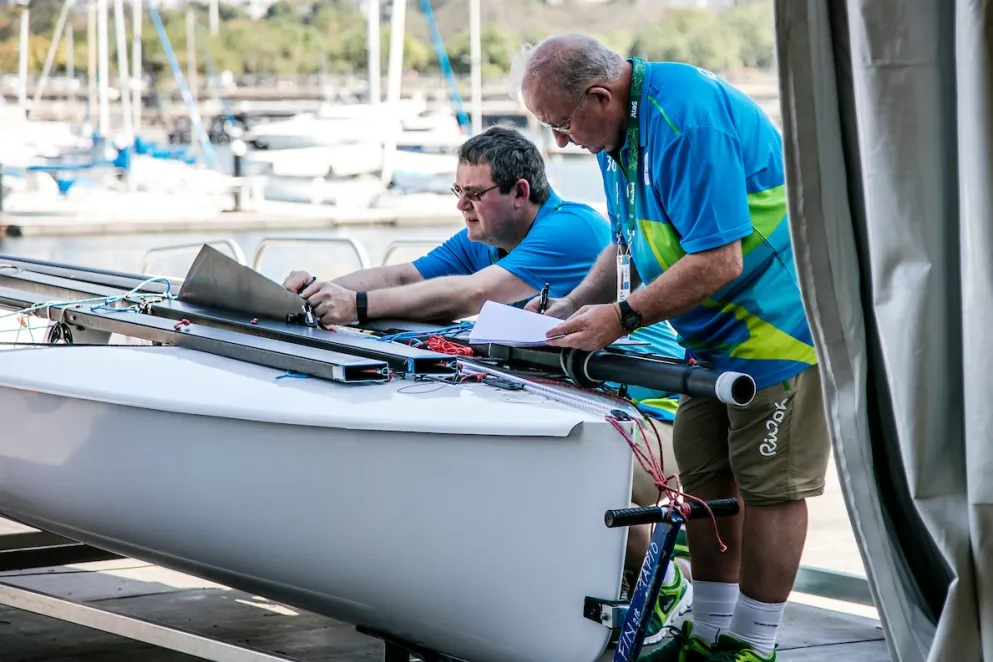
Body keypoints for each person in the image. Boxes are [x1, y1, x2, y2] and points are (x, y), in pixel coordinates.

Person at [284, 125, 692, 640]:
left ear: (520, 193)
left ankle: (667, 584)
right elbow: (405, 278)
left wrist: (356, 308)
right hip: (589, 407)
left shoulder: (572, 229)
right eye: (458, 193)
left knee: (555, 465)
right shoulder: (484, 237)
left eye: (474, 195)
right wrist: (320, 289)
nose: (463, 207)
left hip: (657, 416)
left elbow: (470, 296)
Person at [515, 34, 830, 662]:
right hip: (705, 338)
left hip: (776, 329)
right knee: (703, 478)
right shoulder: (615, 128)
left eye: (560, 124)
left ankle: (753, 644)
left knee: (770, 488)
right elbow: (627, 243)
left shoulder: (683, 119)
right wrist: (572, 306)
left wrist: (622, 318)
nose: (560, 141)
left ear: (600, 96)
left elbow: (719, 259)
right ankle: (711, 631)